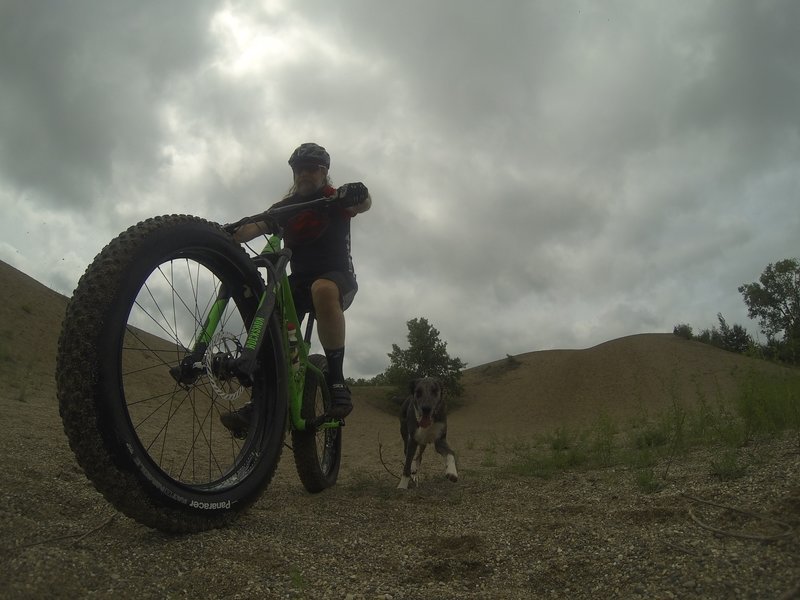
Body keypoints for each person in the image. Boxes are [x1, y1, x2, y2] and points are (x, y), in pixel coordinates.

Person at [220, 143, 371, 433]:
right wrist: (225, 234)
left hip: (337, 277)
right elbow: (251, 228)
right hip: (297, 284)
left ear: (324, 172)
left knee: (322, 289)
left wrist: (358, 194)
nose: (304, 173)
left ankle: (336, 381)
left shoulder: (334, 198)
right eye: (299, 169)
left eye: (312, 168)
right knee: (267, 317)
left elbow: (362, 202)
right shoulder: (285, 209)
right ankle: (263, 400)